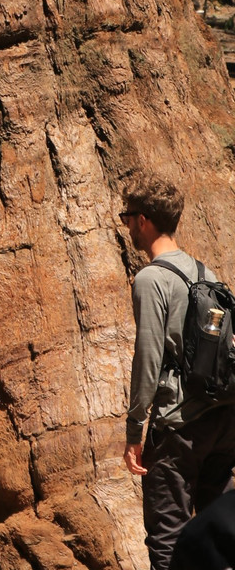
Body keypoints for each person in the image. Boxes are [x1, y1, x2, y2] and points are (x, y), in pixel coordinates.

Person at [120, 177, 235, 570]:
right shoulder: (207, 273)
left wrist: (135, 432)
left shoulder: (152, 279)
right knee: (221, 534)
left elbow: (149, 359)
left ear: (144, 220)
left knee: (167, 538)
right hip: (222, 419)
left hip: (179, 426)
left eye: (127, 217)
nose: (127, 225)